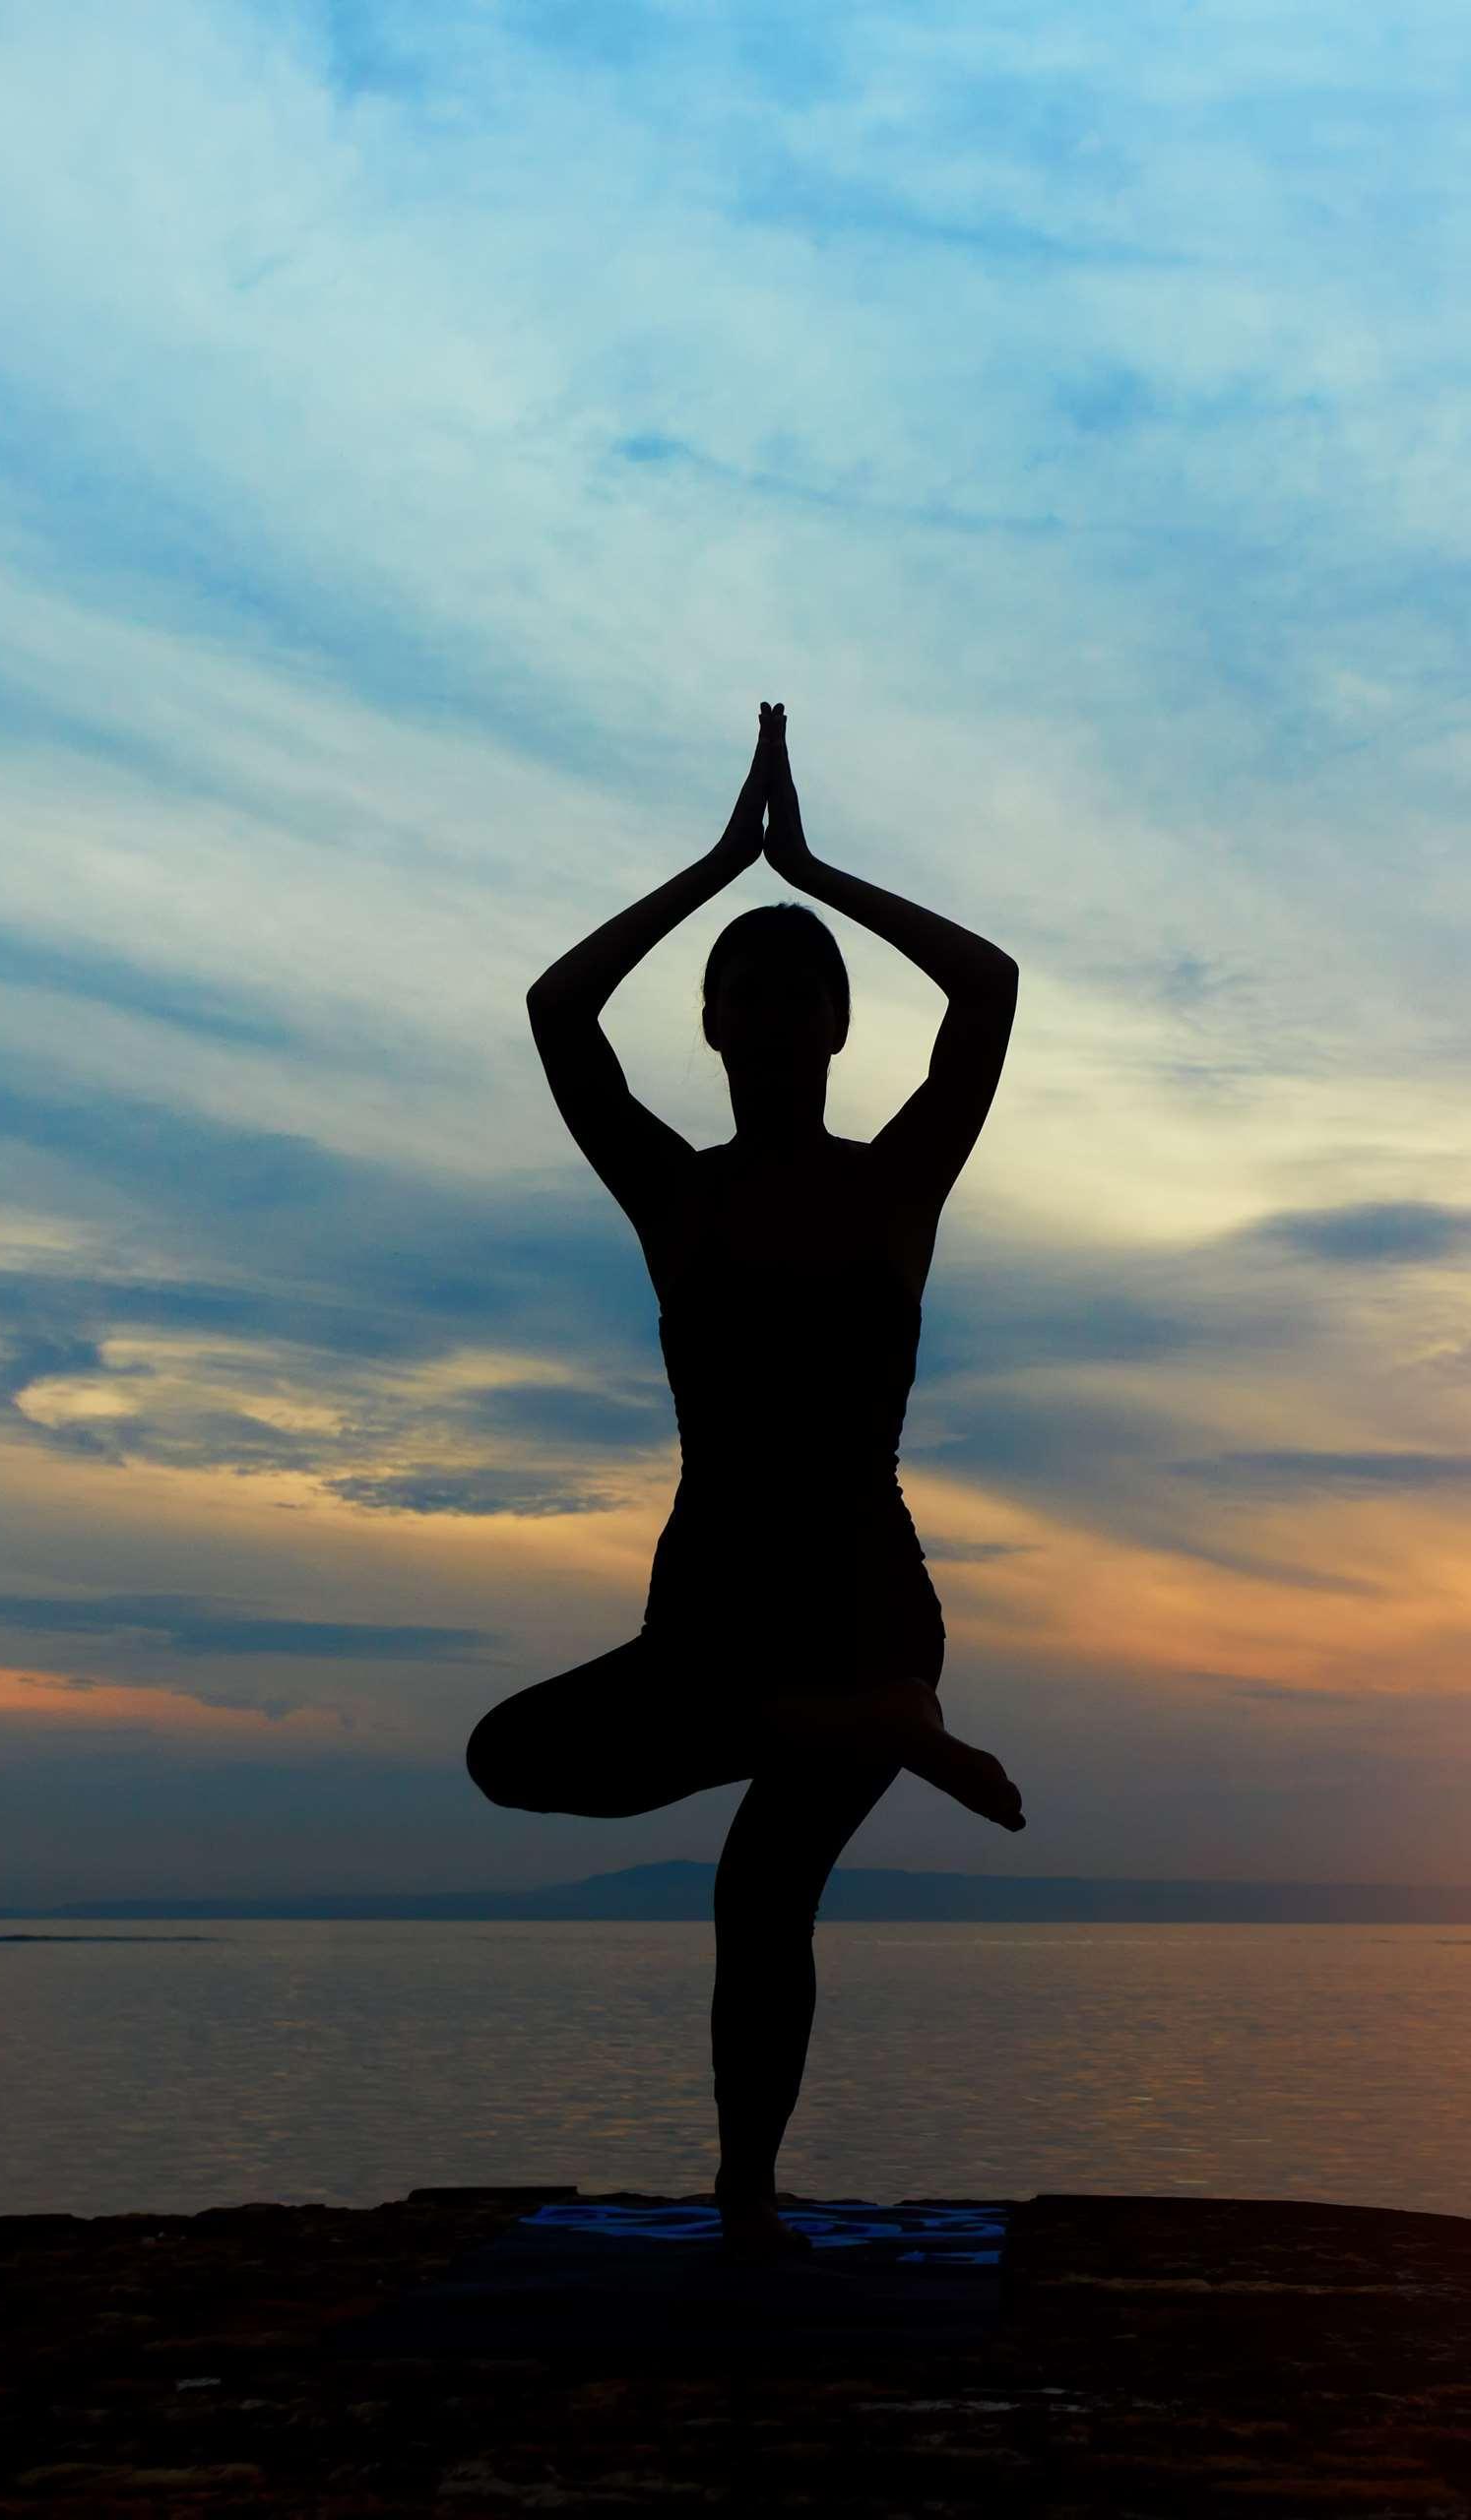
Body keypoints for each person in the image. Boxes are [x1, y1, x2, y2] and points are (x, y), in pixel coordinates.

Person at [465, 703, 1026, 2259]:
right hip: (728, 1623)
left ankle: (747, 2201)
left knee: (761, 1899)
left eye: (798, 1001)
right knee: (512, 1758)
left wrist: (808, 871)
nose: (774, 1023)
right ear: (712, 1030)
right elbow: (559, 1013)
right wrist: (724, 866)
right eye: (748, 997)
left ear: (835, 1032)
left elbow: (987, 991)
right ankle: (861, 1734)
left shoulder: (886, 1183)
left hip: (851, 1600)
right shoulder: (680, 1194)